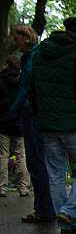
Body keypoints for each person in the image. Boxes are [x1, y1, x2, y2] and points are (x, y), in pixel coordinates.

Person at [28, 16, 76, 234]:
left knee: (55, 172)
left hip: (47, 124)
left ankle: (65, 219)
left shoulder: (40, 52)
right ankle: (70, 212)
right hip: (75, 124)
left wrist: (41, 114)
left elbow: (32, 88)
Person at [8, 25, 54, 222]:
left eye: (16, 38)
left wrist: (12, 111)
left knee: (36, 161)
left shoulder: (32, 57)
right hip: (41, 112)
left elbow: (25, 87)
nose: (14, 42)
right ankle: (47, 208)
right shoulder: (39, 55)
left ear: (25, 38)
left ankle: (44, 210)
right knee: (41, 161)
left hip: (32, 113)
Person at [0, 54, 29, 196]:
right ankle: (23, 187)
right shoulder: (22, 80)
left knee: (3, 155)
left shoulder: (1, 79)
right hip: (18, 122)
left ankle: (1, 187)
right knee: (21, 156)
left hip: (3, 122)